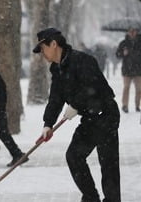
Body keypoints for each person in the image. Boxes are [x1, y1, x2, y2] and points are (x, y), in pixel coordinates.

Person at [33, 28, 121, 202]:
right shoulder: (56, 69)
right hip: (89, 118)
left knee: (108, 164)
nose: (42, 53)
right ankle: (91, 198)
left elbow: (92, 86)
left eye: (43, 48)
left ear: (53, 44)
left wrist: (75, 105)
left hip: (106, 115)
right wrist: (47, 124)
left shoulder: (83, 60)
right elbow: (55, 99)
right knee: (74, 156)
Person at [115, 28, 141, 113]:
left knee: (139, 89)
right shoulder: (123, 43)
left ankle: (137, 105)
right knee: (126, 88)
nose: (132, 33)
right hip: (127, 70)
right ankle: (125, 105)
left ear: (137, 32)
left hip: (138, 70)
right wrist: (123, 53)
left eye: (134, 31)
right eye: (131, 31)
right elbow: (117, 55)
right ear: (128, 32)